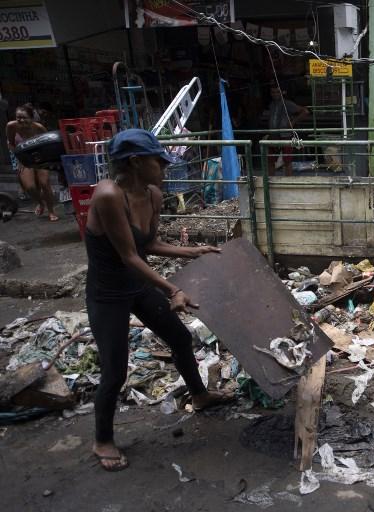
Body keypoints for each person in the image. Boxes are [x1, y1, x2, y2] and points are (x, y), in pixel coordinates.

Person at [85, 129, 233, 471]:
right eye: (158, 161)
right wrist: (172, 289)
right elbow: (128, 256)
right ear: (136, 162)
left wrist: (194, 250)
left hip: (136, 286)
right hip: (107, 293)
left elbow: (148, 246)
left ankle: (199, 395)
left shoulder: (152, 193)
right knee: (114, 370)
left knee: (181, 338)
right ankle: (103, 439)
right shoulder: (108, 195)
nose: (164, 168)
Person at [6, 103, 58, 220]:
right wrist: (19, 159)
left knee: (44, 183)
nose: (21, 120)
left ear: (31, 118)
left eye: (24, 117)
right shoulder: (11, 126)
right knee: (29, 187)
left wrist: (47, 160)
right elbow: (11, 143)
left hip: (40, 157)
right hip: (23, 157)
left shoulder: (39, 127)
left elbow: (47, 143)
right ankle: (40, 202)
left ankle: (51, 211)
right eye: (18, 117)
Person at [264, 85, 309, 176]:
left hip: (286, 135)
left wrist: (293, 122)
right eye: (273, 92)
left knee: (287, 161)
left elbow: (305, 111)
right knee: (270, 160)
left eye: (277, 92)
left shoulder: (287, 103)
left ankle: (288, 182)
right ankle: (270, 182)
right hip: (273, 136)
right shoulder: (271, 105)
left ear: (281, 93)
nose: (275, 94)